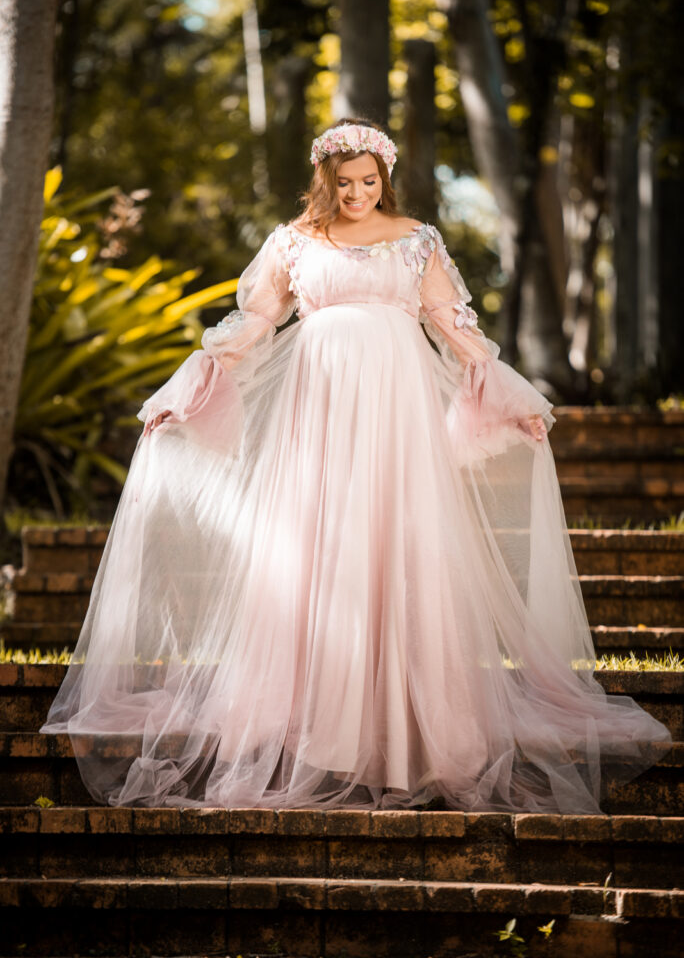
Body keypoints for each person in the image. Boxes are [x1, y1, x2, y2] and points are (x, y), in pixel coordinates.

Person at [41, 118, 670, 812]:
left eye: (369, 182)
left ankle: (408, 728)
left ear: (384, 179)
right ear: (327, 182)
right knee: (322, 546)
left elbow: (451, 325)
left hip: (396, 411)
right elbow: (257, 322)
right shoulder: (295, 241)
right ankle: (320, 727)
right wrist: (194, 383)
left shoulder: (417, 239)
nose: (358, 194)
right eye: (346, 184)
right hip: (322, 406)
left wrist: (511, 396)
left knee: (401, 544)